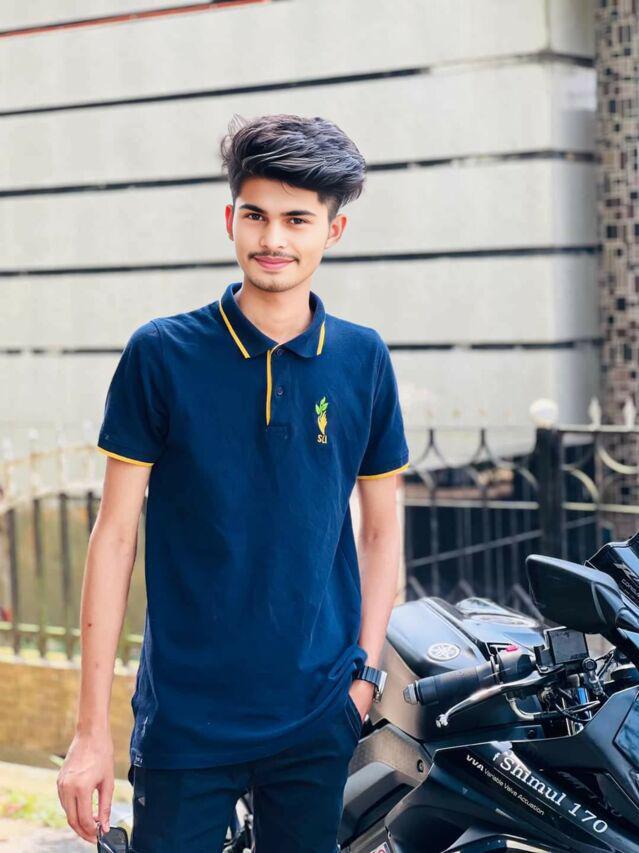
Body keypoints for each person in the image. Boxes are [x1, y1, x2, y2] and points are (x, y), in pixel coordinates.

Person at [56, 113, 410, 852]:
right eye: (255, 215)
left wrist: (364, 679)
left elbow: (381, 531)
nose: (272, 238)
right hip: (188, 719)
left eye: (296, 219)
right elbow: (114, 537)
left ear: (333, 231)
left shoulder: (363, 358)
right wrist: (91, 732)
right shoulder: (162, 353)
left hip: (318, 712)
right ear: (230, 220)